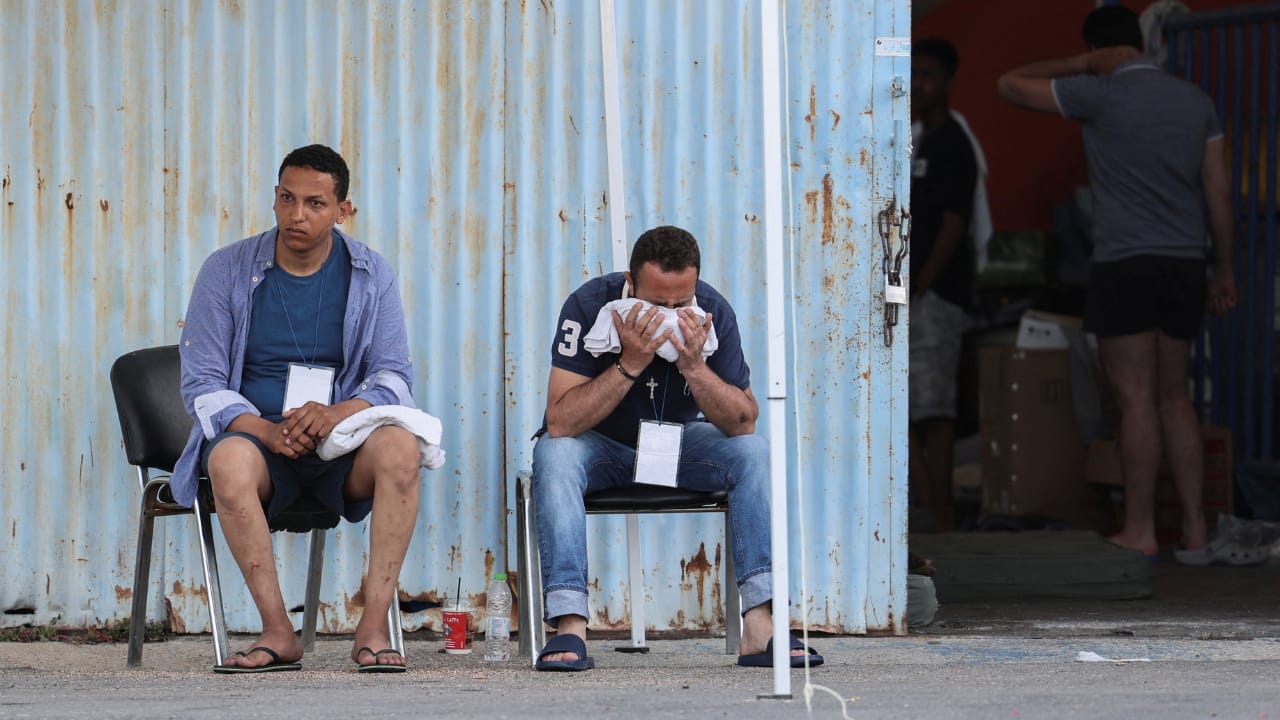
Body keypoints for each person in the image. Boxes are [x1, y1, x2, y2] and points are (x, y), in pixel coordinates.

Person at [173, 144, 423, 672]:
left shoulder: (370, 273)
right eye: (287, 198)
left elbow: (393, 377)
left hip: (344, 443)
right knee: (226, 461)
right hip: (260, 444)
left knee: (402, 448)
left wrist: (337, 414)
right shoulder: (226, 270)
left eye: (315, 203)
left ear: (343, 210)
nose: (297, 215)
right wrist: (265, 432)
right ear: (274, 197)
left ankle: (373, 627)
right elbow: (203, 383)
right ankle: (277, 631)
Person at [997, 6, 1236, 558]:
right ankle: (1195, 530)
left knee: (1135, 400)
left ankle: (1142, 530)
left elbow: (1008, 83)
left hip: (1125, 264)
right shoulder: (1195, 100)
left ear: (1097, 48)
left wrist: (1082, 64)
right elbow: (1219, 194)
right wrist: (1224, 268)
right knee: (1175, 397)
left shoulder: (1097, 93)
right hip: (1185, 264)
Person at [531, 226, 822, 671]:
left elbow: (743, 421)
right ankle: (570, 625)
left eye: (680, 304)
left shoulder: (713, 311)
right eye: (655, 304)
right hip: (602, 446)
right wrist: (629, 363)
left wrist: (694, 364)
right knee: (554, 453)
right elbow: (560, 421)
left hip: (677, 443)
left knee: (754, 452)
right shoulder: (589, 306)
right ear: (630, 283)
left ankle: (761, 625)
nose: (669, 314)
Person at [908, 37, 979, 533]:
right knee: (907, 408)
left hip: (936, 295)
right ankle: (926, 510)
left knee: (934, 410)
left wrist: (922, 286)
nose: (918, 84)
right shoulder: (918, 138)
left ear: (949, 81)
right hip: (911, 295)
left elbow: (955, 225)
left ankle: (943, 517)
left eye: (929, 75)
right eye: (913, 74)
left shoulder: (955, 143)